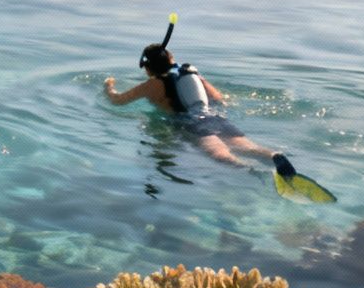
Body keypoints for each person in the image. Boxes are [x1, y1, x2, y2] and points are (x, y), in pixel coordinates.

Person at [104, 43, 336, 202]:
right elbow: (219, 99)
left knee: (218, 155)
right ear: (170, 60)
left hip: (190, 124)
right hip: (214, 118)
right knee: (248, 147)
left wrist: (108, 88)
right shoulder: (192, 76)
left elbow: (118, 102)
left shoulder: (151, 85)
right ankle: (273, 155)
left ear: (148, 67)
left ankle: (254, 171)